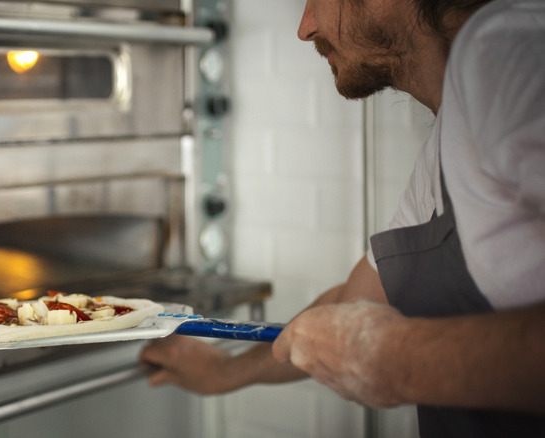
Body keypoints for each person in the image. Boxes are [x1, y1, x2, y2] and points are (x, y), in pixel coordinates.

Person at [139, 0, 545, 435]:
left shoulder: (506, 50)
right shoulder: (449, 139)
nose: (305, 27)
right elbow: (355, 302)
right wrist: (227, 372)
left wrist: (394, 359)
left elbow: (372, 342)